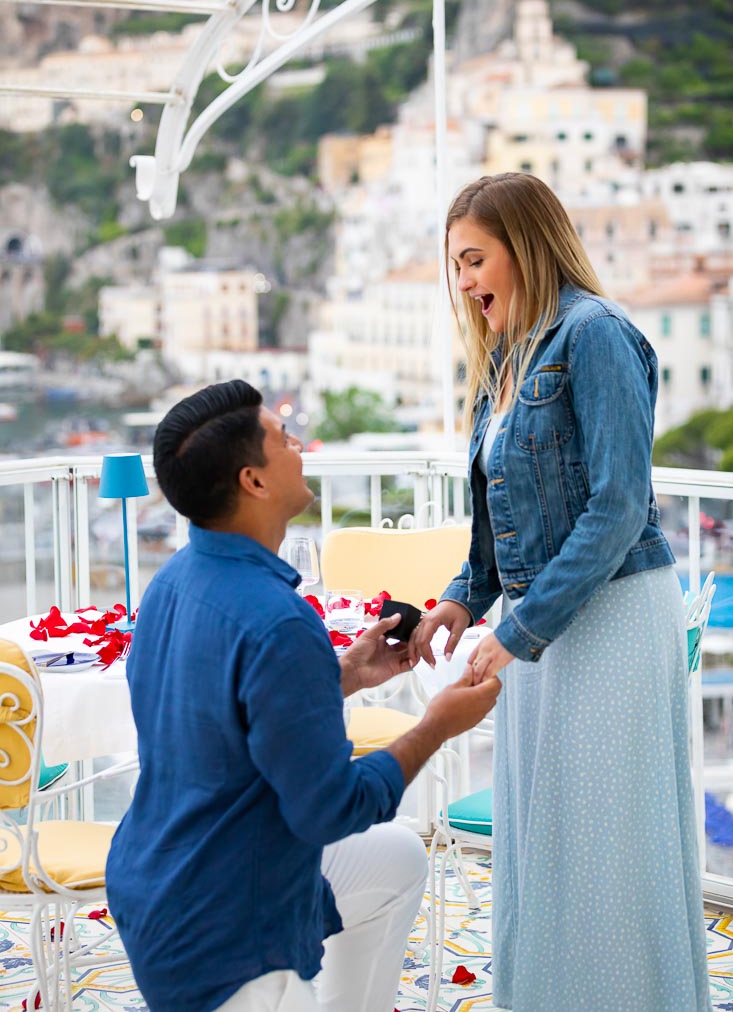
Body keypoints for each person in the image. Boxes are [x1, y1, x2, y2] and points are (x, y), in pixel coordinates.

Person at [412, 173, 712, 1012]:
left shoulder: (596, 335)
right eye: (456, 267)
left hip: (609, 615)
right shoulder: (503, 352)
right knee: (546, 843)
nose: (465, 282)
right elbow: (495, 516)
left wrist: (518, 629)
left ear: (526, 244)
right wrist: (460, 602)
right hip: (539, 625)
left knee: (601, 845)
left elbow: (618, 506)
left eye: (475, 259)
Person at [105, 379, 501, 1012]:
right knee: (363, 830)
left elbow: (220, 715)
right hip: (228, 930)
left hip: (153, 882)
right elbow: (332, 811)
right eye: (283, 439)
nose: (299, 447)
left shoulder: (173, 582)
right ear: (252, 482)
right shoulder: (277, 620)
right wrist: (435, 725)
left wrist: (340, 674)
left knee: (397, 858)